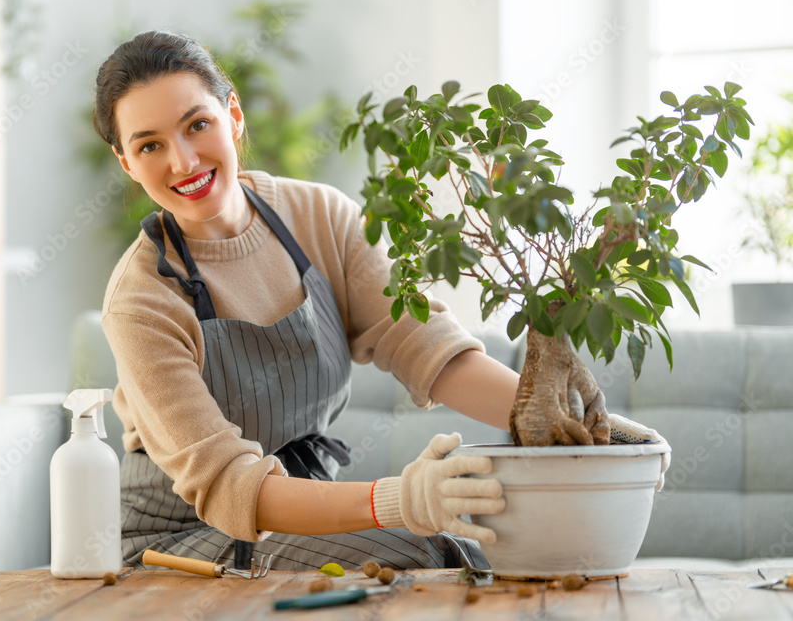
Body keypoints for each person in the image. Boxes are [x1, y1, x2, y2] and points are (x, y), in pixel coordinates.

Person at [93, 30, 669, 572]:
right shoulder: (142, 299)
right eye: (150, 146)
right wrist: (400, 501)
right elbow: (228, 485)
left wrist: (594, 431)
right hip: (178, 540)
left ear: (233, 115)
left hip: (295, 506)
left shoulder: (319, 216)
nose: (183, 162)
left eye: (197, 125)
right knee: (439, 552)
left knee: (490, 546)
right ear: (127, 162)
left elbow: (424, 347)